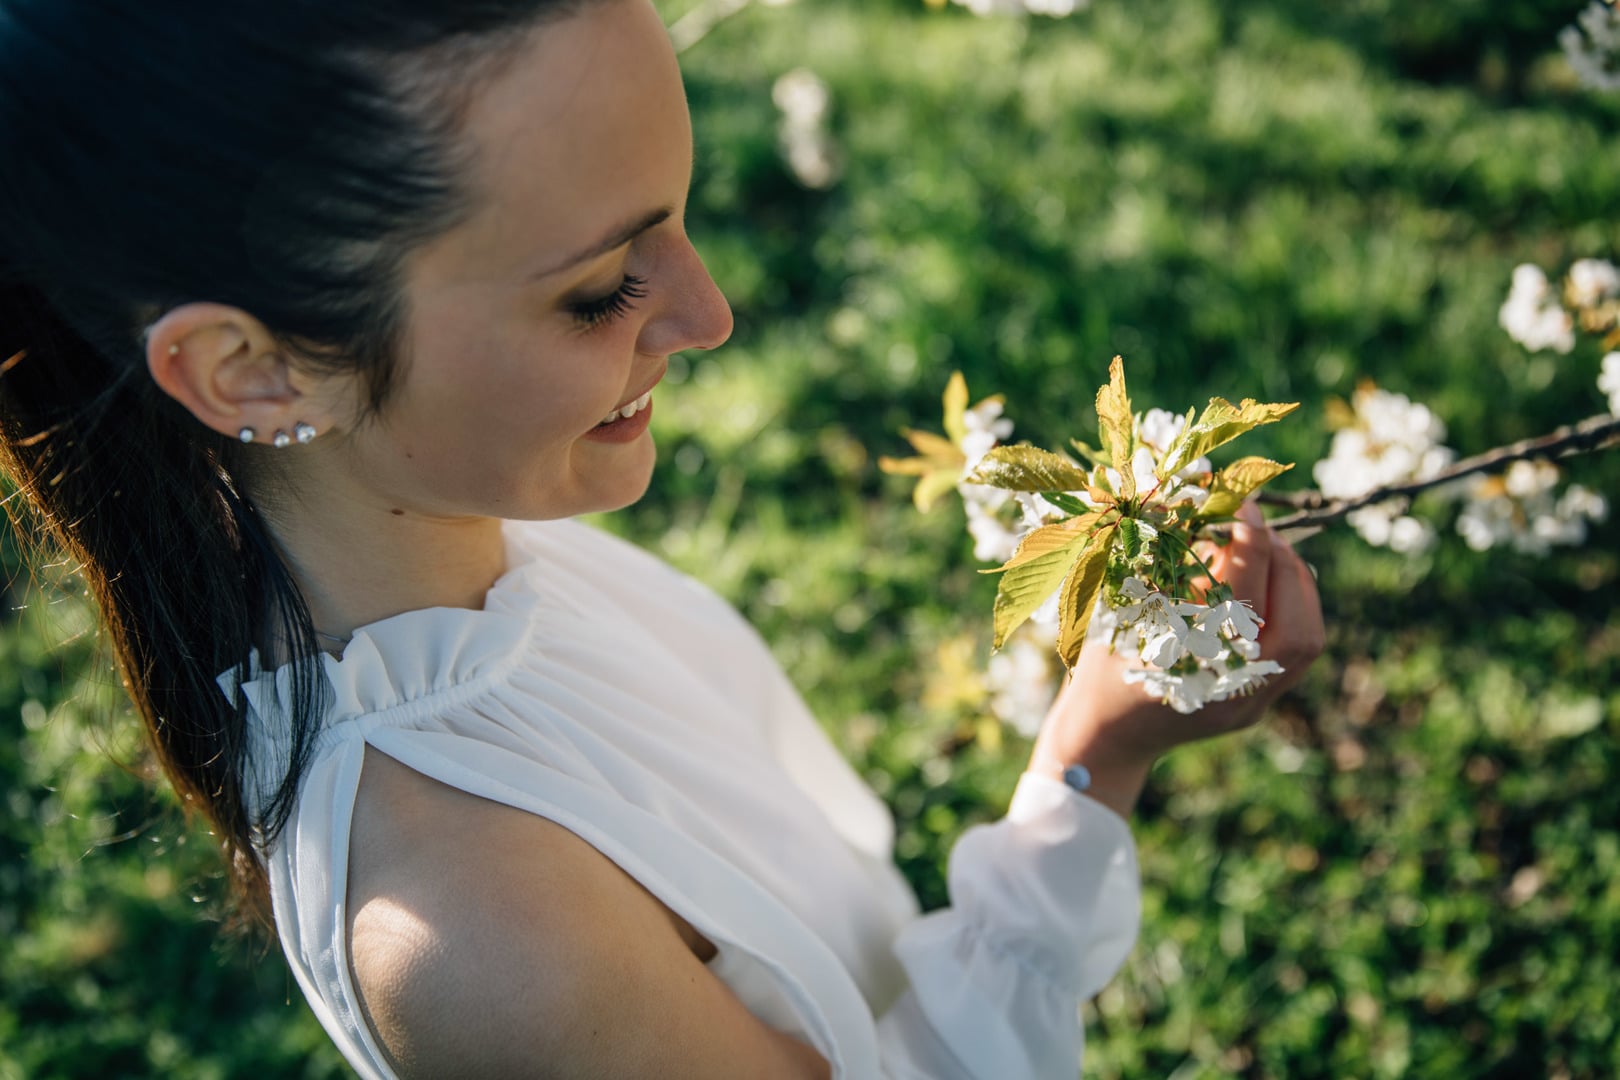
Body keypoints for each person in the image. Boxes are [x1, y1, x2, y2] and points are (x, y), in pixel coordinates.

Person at [0, 0, 1325, 1076]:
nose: (710, 316)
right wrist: (1091, 765)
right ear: (253, 372)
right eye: (599, 291)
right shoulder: (490, 939)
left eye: (680, 219)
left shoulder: (465, 550)